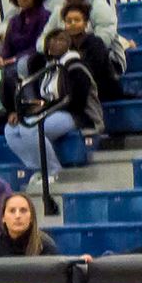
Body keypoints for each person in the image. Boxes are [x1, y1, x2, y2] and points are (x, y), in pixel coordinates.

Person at [6, 31, 102, 188]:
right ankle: (38, 168)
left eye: (62, 39)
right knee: (11, 130)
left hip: (76, 114)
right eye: (53, 40)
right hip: (52, 111)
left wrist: (46, 107)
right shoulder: (49, 67)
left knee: (31, 129)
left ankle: (54, 170)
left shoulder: (76, 66)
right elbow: (45, 97)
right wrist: (31, 109)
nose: (57, 42)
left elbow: (77, 100)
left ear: (69, 43)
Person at [57, 1, 132, 103]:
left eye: (77, 20)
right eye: (69, 21)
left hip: (103, 90)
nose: (73, 24)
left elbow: (94, 72)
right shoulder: (65, 46)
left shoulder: (95, 43)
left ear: (85, 23)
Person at [0, 193, 83, 259]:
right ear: (3, 218)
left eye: (23, 211)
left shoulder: (45, 245)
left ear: (32, 217)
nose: (17, 216)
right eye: (12, 211)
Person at [0, 0, 51, 68]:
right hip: (12, 61)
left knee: (15, 69)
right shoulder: (14, 21)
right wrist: (0, 58)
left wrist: (15, 58)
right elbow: (7, 47)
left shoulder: (45, 16)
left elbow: (39, 45)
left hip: (33, 60)